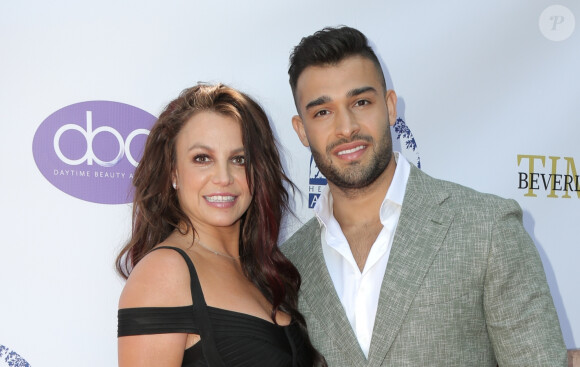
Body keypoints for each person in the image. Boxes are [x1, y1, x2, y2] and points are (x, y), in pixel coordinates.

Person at [281, 26, 567, 366]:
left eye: (361, 102)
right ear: (301, 130)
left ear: (389, 107)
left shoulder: (486, 229)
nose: (346, 127)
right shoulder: (288, 266)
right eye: (323, 112)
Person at [116, 83, 326, 367]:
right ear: (173, 171)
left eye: (239, 160)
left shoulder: (264, 272)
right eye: (202, 159)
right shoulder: (165, 273)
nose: (224, 177)